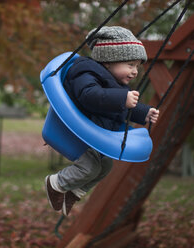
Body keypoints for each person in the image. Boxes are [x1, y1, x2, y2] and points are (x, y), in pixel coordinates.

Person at [45, 26, 160, 216]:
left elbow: (119, 108)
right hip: (73, 129)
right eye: (130, 65)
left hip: (94, 129)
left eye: (137, 67)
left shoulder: (112, 82)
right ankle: (56, 183)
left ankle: (75, 192)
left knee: (106, 166)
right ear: (109, 60)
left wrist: (144, 113)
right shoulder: (86, 72)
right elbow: (90, 96)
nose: (135, 72)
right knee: (89, 167)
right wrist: (122, 99)